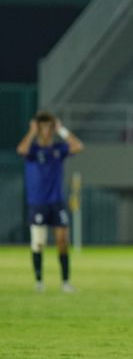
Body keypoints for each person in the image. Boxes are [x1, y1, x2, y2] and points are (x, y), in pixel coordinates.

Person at [16, 111, 84, 293]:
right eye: (42, 126)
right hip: (37, 202)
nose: (46, 130)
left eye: (49, 126)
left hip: (56, 201)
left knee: (63, 240)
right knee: (38, 242)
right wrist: (31, 132)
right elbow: (21, 150)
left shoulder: (59, 149)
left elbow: (78, 146)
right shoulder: (33, 150)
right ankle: (39, 281)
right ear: (38, 128)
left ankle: (65, 282)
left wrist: (62, 130)